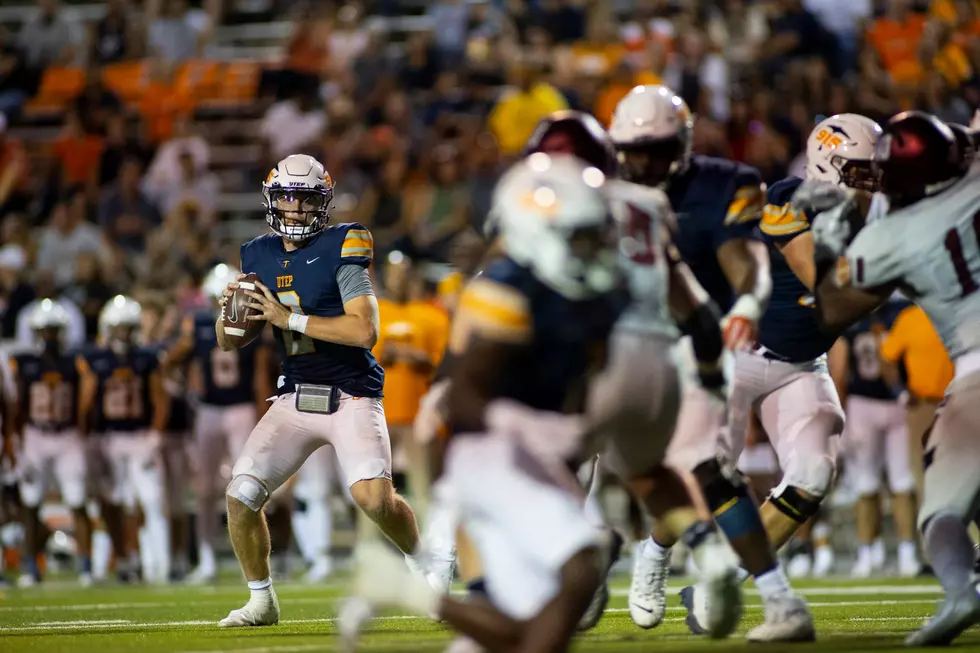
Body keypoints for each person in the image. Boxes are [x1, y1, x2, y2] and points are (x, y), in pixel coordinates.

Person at [343, 153, 630, 652]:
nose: (593, 247)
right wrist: (522, 423)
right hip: (489, 455)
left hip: (531, 458)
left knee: (529, 627)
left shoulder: (598, 293)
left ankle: (400, 588)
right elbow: (465, 396)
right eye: (579, 236)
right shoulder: (506, 290)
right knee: (583, 566)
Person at [215, 154, 434, 627]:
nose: (294, 209)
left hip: (351, 392)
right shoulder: (256, 253)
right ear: (272, 200)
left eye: (306, 198)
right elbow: (227, 342)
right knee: (241, 494)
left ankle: (426, 558)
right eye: (287, 198)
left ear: (324, 203)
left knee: (374, 499)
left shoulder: (343, 243)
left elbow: (363, 332)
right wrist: (232, 316)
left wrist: (285, 318)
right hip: (295, 394)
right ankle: (261, 599)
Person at [607, 84, 779, 638]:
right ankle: (613, 560)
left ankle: (669, 557)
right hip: (618, 347)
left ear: (680, 142)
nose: (642, 162)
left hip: (707, 342)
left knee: (707, 470)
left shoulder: (725, 183)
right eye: (632, 149)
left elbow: (744, 259)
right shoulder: (600, 192)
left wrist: (748, 303)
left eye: (654, 147)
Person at [807, 111, 978, 646]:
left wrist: (829, 241)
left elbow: (830, 310)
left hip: (977, 369)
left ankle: (959, 591)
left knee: (943, 512)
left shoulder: (894, 237)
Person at [165, 263, 274, 584]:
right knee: (203, 488)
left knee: (249, 484)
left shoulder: (247, 325)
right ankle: (208, 558)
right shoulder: (198, 324)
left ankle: (251, 561)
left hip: (237, 409)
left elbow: (258, 378)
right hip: (211, 410)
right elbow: (174, 359)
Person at [78, 295, 172, 584]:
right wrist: (87, 437)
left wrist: (155, 435)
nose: (123, 334)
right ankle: (111, 564)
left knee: (152, 501)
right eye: (118, 328)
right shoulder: (95, 359)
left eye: (127, 328)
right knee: (109, 502)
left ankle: (160, 566)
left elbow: (160, 399)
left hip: (139, 436)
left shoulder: (145, 358)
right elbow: (86, 402)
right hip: (107, 438)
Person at [832, 298, 921, 578]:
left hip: (885, 405)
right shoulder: (896, 316)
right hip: (875, 404)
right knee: (876, 484)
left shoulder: (888, 317)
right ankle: (875, 552)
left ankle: (895, 552)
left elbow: (840, 370)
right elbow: (842, 368)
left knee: (893, 483)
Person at [11, 300, 91, 587]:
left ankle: (86, 567)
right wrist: (17, 439)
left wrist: (82, 426)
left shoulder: (74, 361)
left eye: (53, 330)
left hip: (67, 434)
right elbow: (16, 403)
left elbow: (87, 392)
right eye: (44, 331)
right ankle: (30, 566)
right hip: (35, 434)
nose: (49, 336)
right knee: (30, 502)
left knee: (77, 499)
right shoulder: (24, 362)